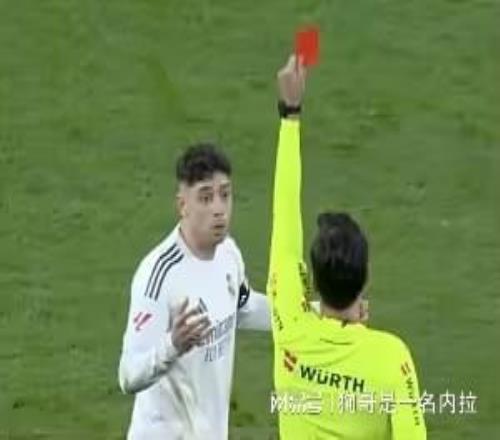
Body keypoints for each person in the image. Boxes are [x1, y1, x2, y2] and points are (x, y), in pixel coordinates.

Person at [267, 54, 427, 439]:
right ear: (365, 277)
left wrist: (290, 115)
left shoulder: (290, 328)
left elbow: (284, 224)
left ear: (313, 281)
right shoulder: (390, 358)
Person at [118, 143, 271, 440]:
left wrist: (320, 313)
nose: (218, 209)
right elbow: (128, 375)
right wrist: (173, 345)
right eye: (205, 197)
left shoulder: (228, 254)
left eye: (225, 195)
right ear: (183, 206)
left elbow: (244, 308)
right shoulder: (158, 275)